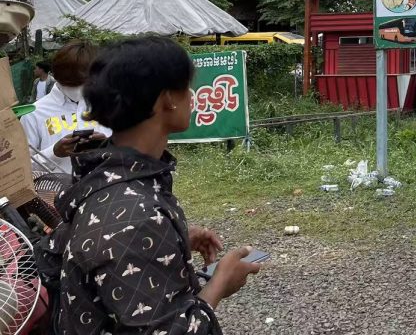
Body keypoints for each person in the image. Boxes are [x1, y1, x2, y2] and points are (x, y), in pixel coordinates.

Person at [38, 36, 261, 334]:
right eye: (186, 86)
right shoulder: (136, 215)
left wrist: (171, 240)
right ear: (167, 98)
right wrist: (220, 284)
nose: (192, 95)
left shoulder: (104, 179)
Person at [20, 41, 110, 174]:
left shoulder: (108, 105)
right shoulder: (34, 113)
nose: (77, 89)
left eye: (84, 83)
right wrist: (53, 153)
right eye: (70, 84)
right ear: (56, 76)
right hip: (57, 191)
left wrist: (108, 145)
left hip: (105, 188)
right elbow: (20, 170)